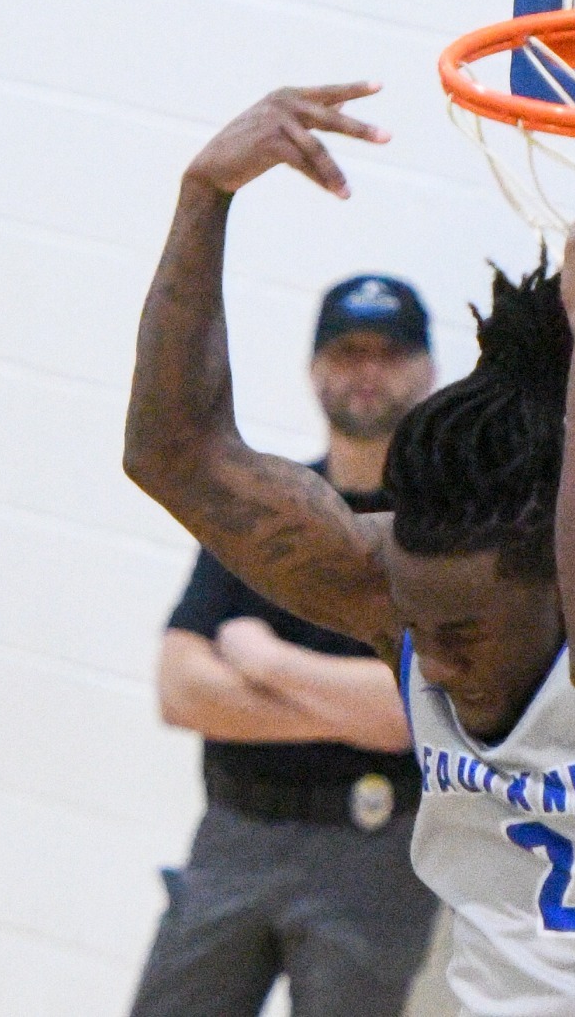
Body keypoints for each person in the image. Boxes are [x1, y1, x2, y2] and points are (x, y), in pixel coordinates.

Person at [122, 82, 575, 1017]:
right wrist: (206, 192)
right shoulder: (405, 600)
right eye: (417, 625)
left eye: (463, 633)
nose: (431, 665)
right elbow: (173, 455)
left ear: (556, 578)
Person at [129, 273, 440, 1015]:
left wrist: (267, 663)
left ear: (427, 370)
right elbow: (180, 689)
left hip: (376, 851)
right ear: (313, 369)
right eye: (347, 352)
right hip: (234, 836)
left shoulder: (447, 528)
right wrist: (350, 706)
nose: (366, 371)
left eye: (388, 353)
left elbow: (412, 714)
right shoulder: (265, 507)